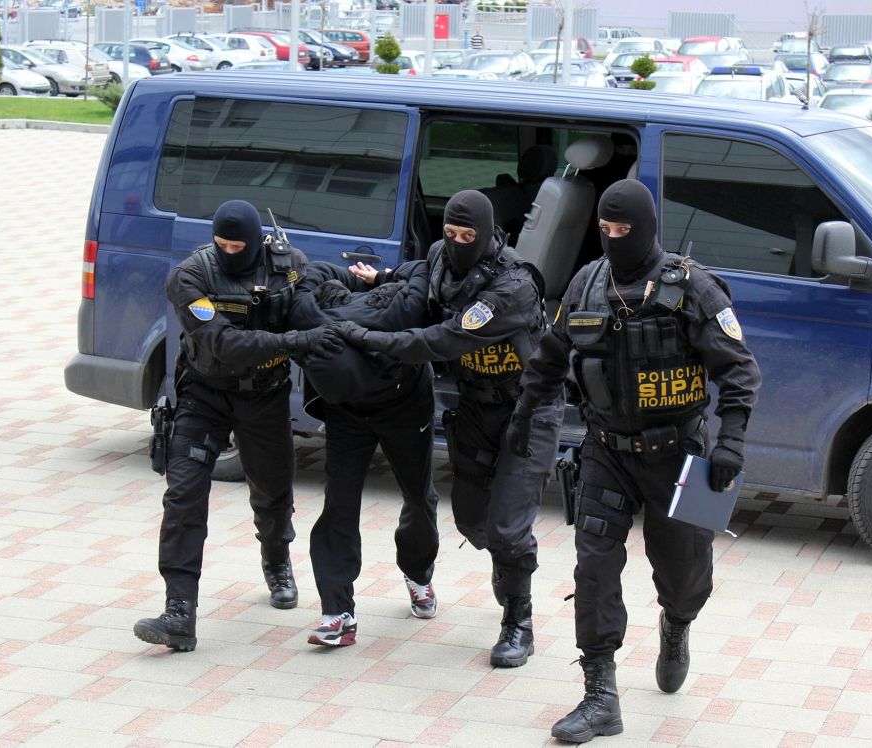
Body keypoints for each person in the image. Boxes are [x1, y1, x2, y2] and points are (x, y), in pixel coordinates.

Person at [508, 179, 761, 743]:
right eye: (605, 229)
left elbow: (739, 370)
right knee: (593, 569)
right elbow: (551, 355)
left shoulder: (693, 288)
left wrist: (731, 443)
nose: (614, 238)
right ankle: (600, 695)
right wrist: (524, 412)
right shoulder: (587, 283)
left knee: (686, 574)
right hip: (606, 451)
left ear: (646, 228)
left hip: (683, 456)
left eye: (624, 229)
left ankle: (678, 623)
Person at [336, 190, 561, 668]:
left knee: (507, 528)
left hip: (527, 411)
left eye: (467, 236)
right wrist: (382, 278)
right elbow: (424, 276)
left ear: (487, 234)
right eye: (450, 233)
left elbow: (444, 338)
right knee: (471, 520)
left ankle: (518, 622)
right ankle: (508, 560)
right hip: (476, 408)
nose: (457, 243)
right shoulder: (441, 255)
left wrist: (371, 338)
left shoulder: (513, 286)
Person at [133, 200, 342, 652]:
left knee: (273, 489)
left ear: (255, 241)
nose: (229, 252)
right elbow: (223, 342)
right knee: (184, 495)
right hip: (204, 394)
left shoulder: (288, 266)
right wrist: (294, 341)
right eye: (221, 244)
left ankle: (276, 558)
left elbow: (313, 312)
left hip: (264, 397)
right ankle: (179, 610)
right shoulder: (190, 276)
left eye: (238, 246)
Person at [289, 261, 441, 647]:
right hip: (347, 414)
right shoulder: (318, 321)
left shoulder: (392, 315)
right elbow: (421, 270)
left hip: (405, 407)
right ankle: (337, 612)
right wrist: (374, 280)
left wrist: (369, 278)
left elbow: (423, 268)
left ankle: (418, 572)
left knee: (418, 497)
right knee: (338, 505)